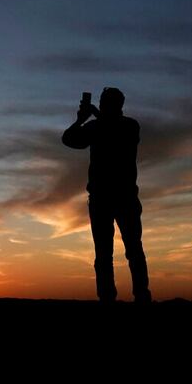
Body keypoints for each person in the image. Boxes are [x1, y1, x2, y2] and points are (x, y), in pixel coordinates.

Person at [62, 88, 152, 303]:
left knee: (133, 249)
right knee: (105, 254)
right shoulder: (96, 126)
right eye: (102, 102)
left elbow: (115, 131)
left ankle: (140, 297)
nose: (103, 105)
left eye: (105, 102)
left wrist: (93, 117)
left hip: (124, 197)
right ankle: (108, 298)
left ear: (117, 105)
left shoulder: (129, 126)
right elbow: (68, 139)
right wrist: (80, 121)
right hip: (103, 199)